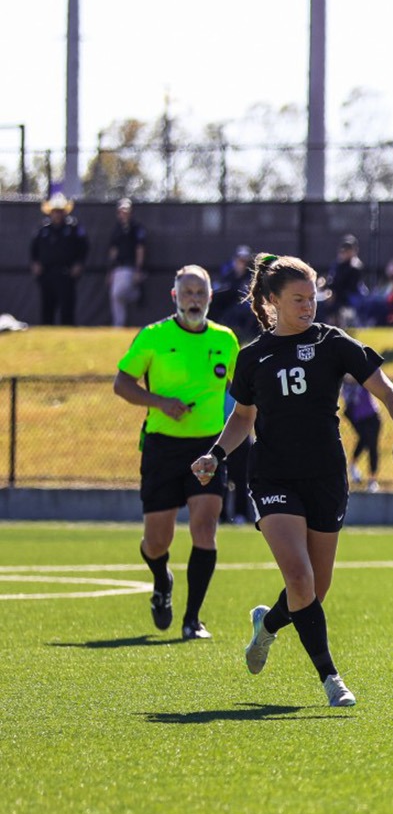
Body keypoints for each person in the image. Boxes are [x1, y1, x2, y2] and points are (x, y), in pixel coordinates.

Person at [190, 253, 393, 707]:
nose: (307, 306)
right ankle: (332, 679)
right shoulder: (253, 357)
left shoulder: (334, 343)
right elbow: (242, 418)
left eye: (312, 298)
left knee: (314, 589)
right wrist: (215, 453)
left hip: (326, 474)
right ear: (272, 301)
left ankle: (267, 626)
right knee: (298, 576)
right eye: (297, 299)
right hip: (273, 474)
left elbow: (385, 388)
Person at [113, 265, 240, 640]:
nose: (194, 300)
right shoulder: (153, 336)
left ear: (211, 297)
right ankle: (161, 580)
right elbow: (122, 383)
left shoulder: (226, 339)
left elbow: (247, 390)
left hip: (209, 448)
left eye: (201, 293)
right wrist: (160, 402)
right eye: (187, 292)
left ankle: (192, 619)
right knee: (157, 542)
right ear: (174, 296)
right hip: (162, 447)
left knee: (205, 525)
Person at [30, 192, 88, 326]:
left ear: (65, 212)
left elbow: (84, 248)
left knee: (67, 308)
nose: (57, 214)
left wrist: (79, 264)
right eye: (55, 211)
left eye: (60, 211)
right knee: (47, 308)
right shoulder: (43, 230)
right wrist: (36, 264)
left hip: (66, 273)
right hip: (47, 273)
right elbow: (33, 249)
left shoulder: (73, 229)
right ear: (50, 212)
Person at [106, 198, 148, 329]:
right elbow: (113, 251)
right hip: (118, 268)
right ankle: (118, 325)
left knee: (118, 293)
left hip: (130, 268)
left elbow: (140, 249)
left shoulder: (136, 228)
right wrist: (110, 270)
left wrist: (138, 270)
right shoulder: (116, 230)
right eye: (121, 211)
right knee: (114, 296)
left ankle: (136, 294)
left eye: (126, 211)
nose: (123, 214)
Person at [341, 375, 383, 492]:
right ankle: (353, 465)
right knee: (364, 439)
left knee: (372, 446)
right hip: (357, 418)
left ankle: (372, 480)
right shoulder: (341, 382)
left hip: (372, 415)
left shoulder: (360, 376)